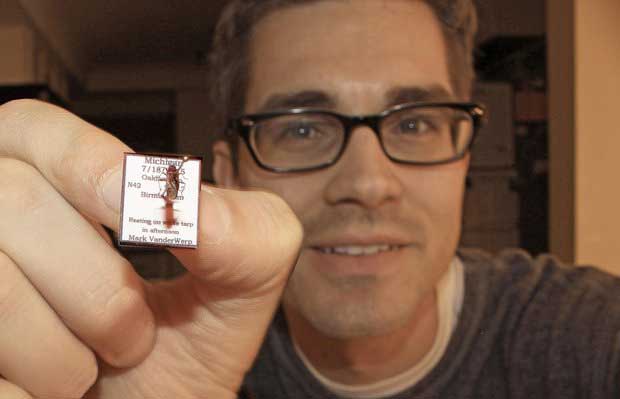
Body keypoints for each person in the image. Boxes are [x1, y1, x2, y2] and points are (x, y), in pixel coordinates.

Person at [0, 1, 618, 399]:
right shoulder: (144, 355)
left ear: (463, 157)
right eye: (301, 127)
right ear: (230, 173)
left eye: (414, 122)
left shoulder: (586, 336)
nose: (368, 183)